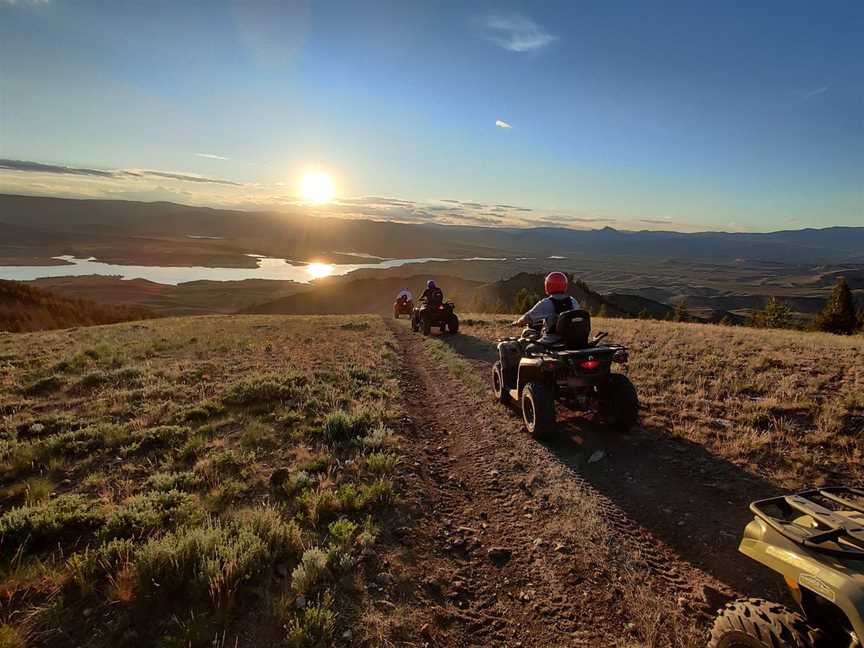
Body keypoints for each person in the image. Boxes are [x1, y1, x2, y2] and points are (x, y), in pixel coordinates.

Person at [514, 272, 580, 330]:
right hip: (572, 340)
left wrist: (518, 322)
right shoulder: (573, 301)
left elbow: (527, 318)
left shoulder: (545, 303)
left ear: (547, 285)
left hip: (551, 340)